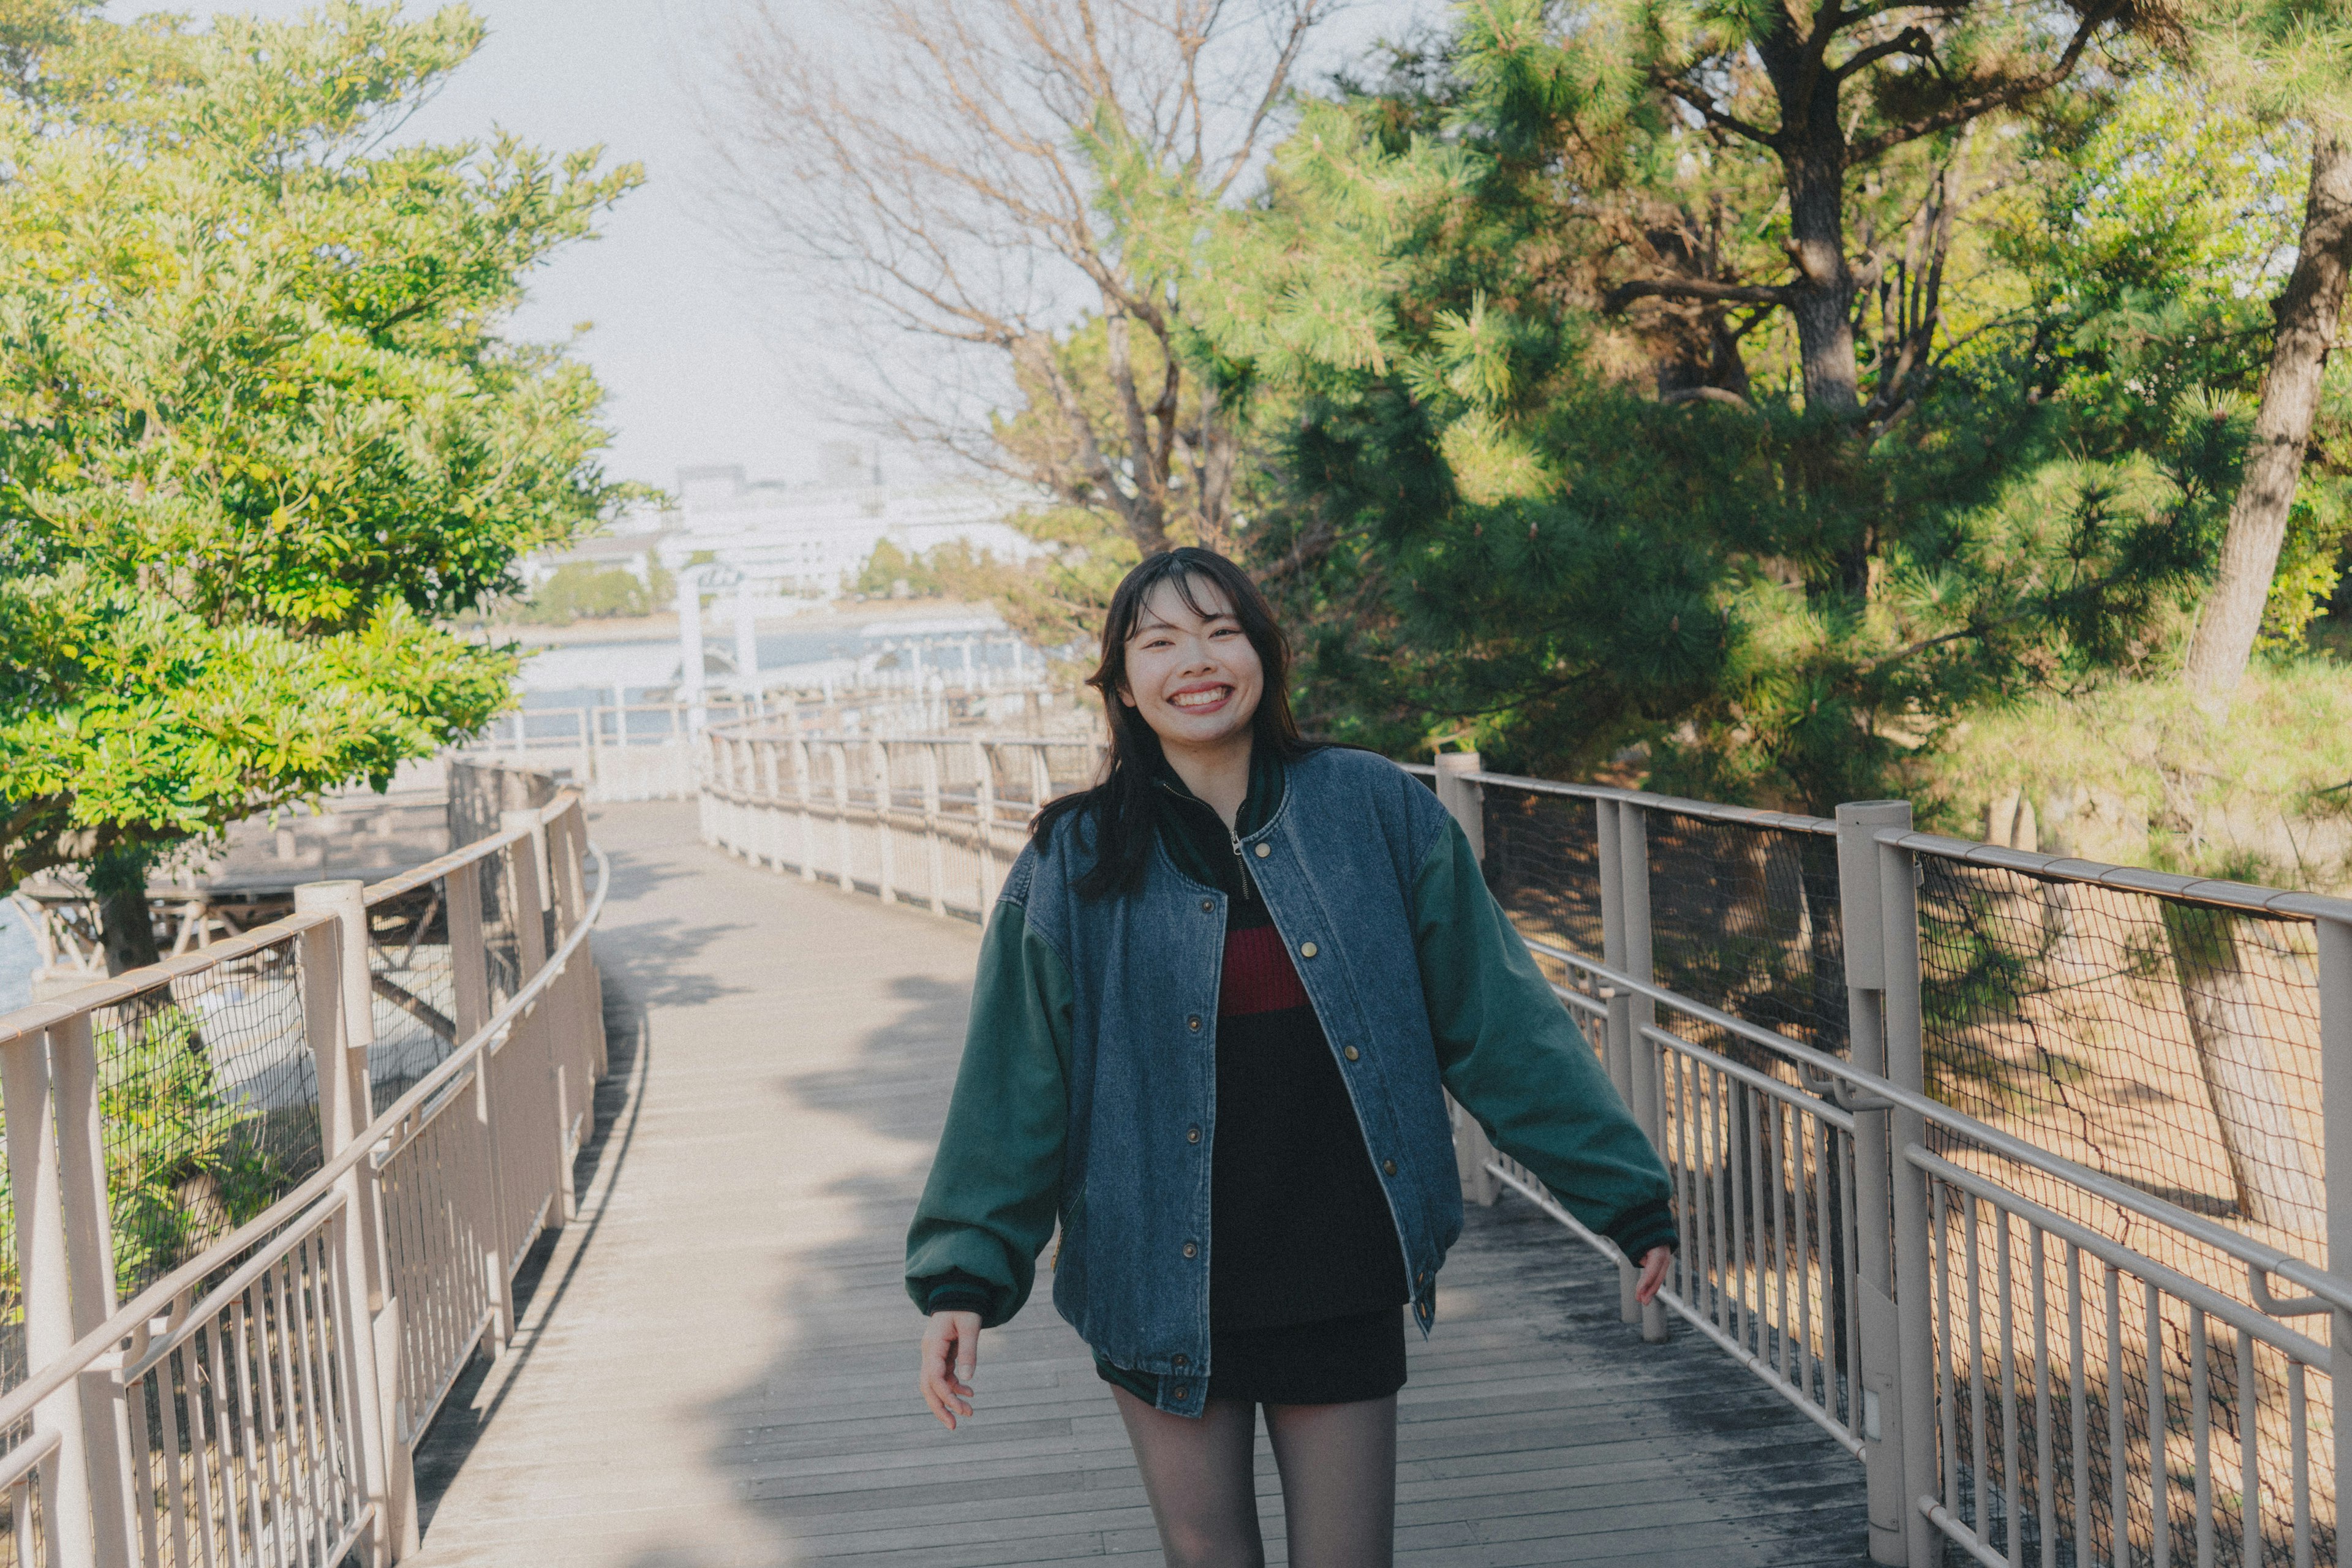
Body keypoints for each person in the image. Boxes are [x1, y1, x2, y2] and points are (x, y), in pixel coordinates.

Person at [905, 548, 1676, 1567]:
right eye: (1160, 641)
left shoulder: (1374, 809)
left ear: (1263, 653)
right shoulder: (1071, 859)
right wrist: (964, 1276)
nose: (1197, 659)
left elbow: (1499, 1021)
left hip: (1337, 1255)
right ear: (1124, 687)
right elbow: (1013, 1088)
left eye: (1223, 630)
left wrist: (1624, 1197)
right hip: (1153, 1274)